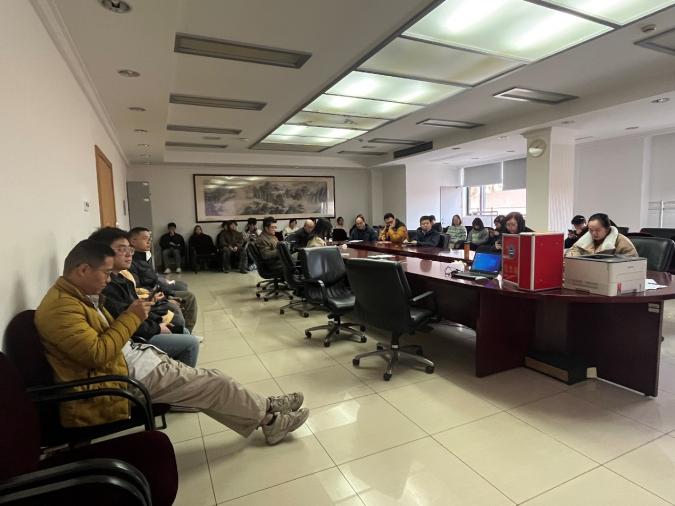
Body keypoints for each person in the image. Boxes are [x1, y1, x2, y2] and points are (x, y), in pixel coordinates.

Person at [35, 239, 308, 444]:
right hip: (118, 381)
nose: (108, 279)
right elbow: (97, 354)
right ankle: (270, 419)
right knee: (215, 383)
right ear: (83, 269)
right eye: (105, 273)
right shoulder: (61, 309)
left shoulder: (78, 297)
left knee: (211, 383)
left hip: (130, 364)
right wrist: (131, 317)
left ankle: (266, 409)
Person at [90, 227, 201, 367]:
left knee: (182, 326)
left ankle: (177, 366)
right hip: (135, 339)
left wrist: (158, 320)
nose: (128, 254)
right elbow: (126, 319)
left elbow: (137, 309)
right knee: (191, 342)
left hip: (143, 324)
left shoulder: (123, 278)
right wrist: (157, 327)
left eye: (129, 250)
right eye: (121, 249)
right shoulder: (106, 286)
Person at [129, 227, 198, 332]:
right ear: (133, 241)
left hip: (157, 292)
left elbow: (153, 279)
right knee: (187, 299)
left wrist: (168, 293)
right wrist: (167, 297)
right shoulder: (131, 262)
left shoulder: (144, 256)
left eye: (150, 238)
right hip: (152, 297)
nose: (149, 241)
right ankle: (185, 333)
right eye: (145, 238)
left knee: (185, 291)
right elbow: (142, 289)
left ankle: (186, 331)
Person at [566, 213, 638, 257]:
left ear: (607, 229)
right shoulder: (586, 237)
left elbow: (632, 263)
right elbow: (573, 250)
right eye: (591, 230)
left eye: (597, 230)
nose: (594, 233)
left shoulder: (622, 241)